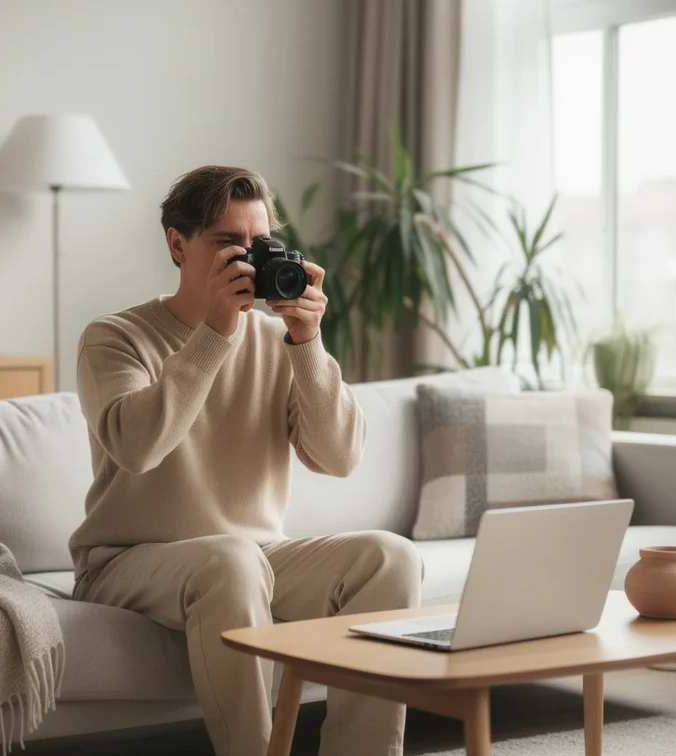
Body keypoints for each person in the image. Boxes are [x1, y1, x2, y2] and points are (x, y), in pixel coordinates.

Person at [69, 165, 423, 756]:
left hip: (250, 555)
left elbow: (339, 457)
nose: (245, 259)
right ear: (177, 244)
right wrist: (215, 332)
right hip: (127, 562)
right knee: (231, 561)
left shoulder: (274, 340)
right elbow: (138, 448)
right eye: (226, 242)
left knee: (389, 556)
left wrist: (308, 346)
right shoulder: (114, 337)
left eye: (255, 244)